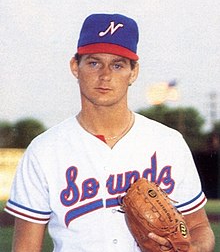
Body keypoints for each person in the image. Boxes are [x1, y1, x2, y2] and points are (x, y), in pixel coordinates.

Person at [5, 13, 215, 252]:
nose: (105, 75)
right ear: (75, 67)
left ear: (133, 72)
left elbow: (199, 227)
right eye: (94, 63)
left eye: (118, 65)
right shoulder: (44, 151)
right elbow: (25, 248)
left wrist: (194, 248)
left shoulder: (168, 143)